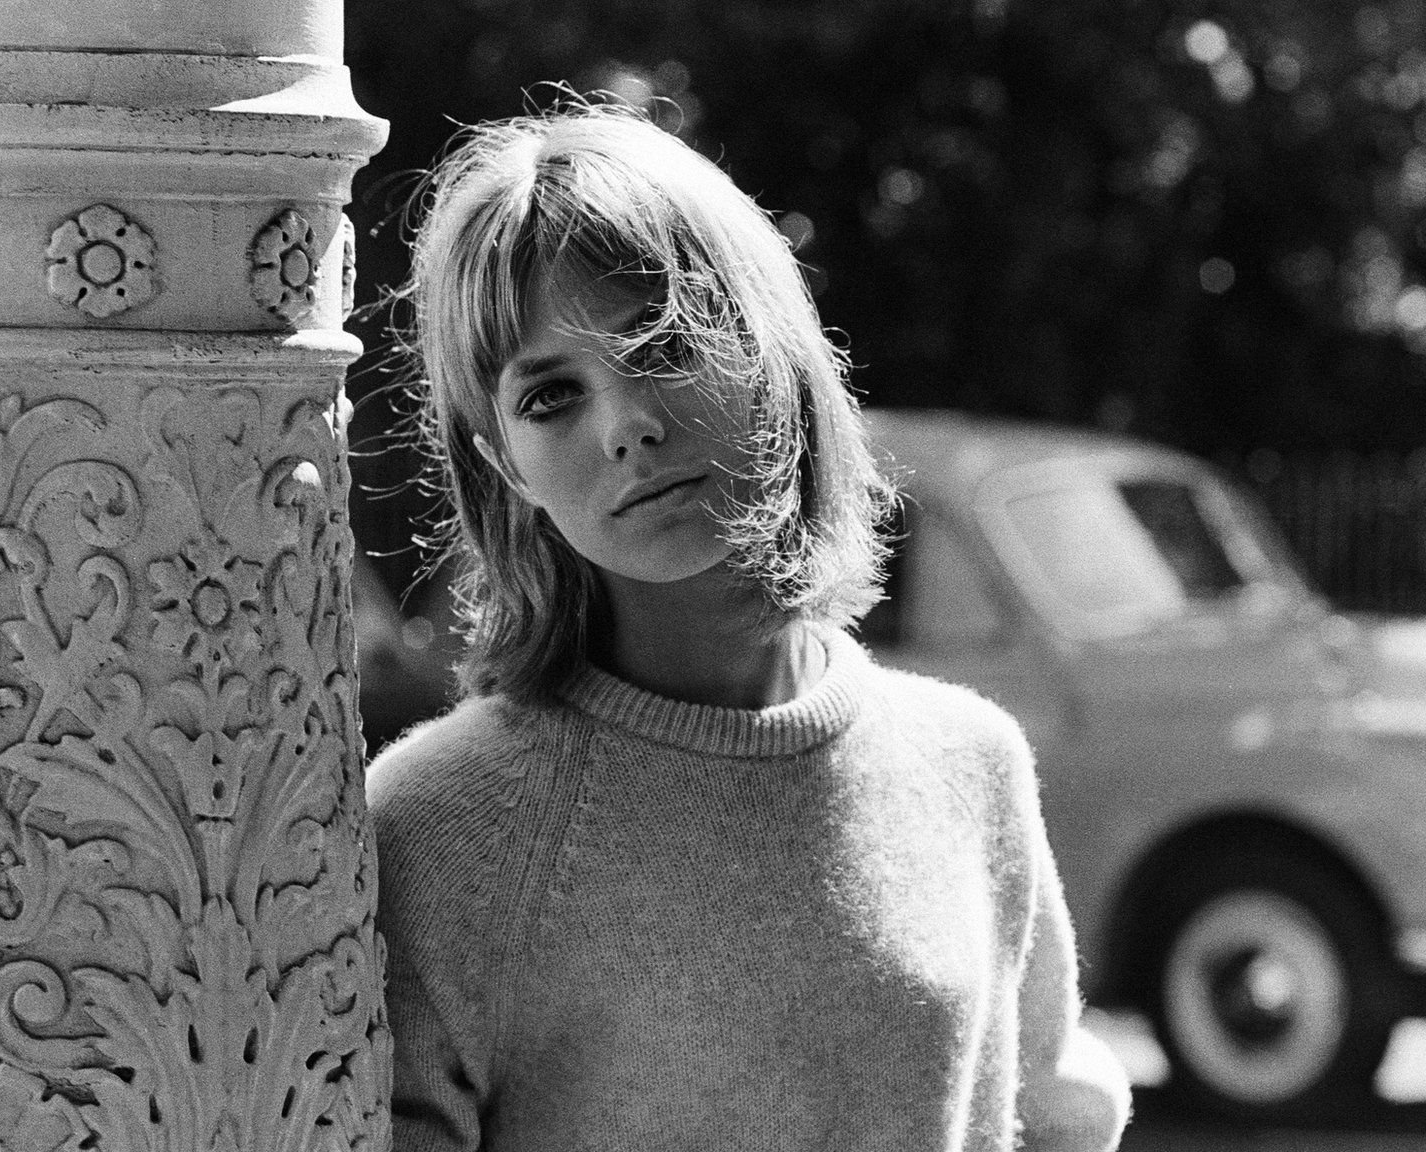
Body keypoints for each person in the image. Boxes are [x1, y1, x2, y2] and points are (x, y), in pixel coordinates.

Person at [368, 100, 1130, 1152]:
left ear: (770, 344)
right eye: (549, 396)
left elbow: (1054, 1117)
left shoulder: (969, 766)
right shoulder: (433, 828)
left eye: (662, 341)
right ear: (502, 461)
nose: (626, 423)